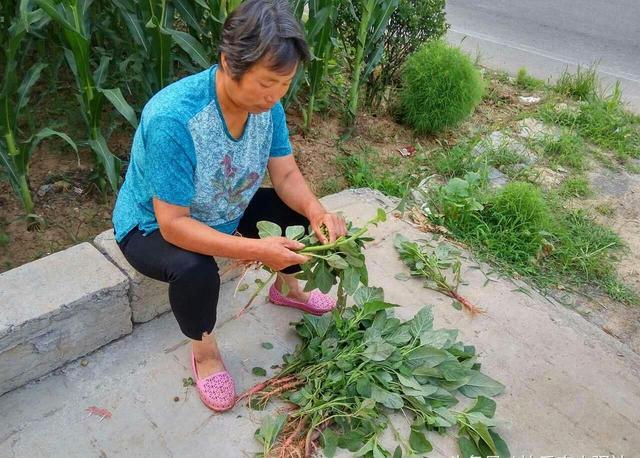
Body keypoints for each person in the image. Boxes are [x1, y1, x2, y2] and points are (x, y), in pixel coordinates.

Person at [111, 0, 347, 412]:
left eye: (285, 84)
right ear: (228, 62)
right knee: (195, 270)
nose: (275, 95)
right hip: (151, 227)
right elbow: (174, 226)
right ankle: (204, 354)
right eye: (266, 83)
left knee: (296, 219)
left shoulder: (268, 107)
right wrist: (257, 250)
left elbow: (287, 176)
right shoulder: (175, 119)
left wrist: (317, 211)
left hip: (225, 207)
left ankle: (288, 288)